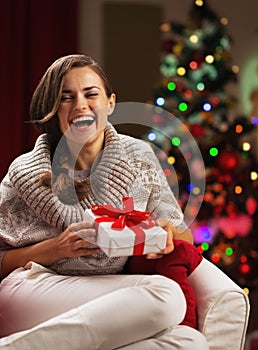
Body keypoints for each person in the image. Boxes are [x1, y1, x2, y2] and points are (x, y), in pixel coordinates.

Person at [0, 54, 208, 349]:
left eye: (90, 94)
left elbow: (180, 232)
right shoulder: (26, 172)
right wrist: (54, 249)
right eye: (66, 98)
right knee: (166, 296)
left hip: (107, 292)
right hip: (34, 285)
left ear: (110, 103)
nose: (80, 106)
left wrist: (165, 235)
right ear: (54, 109)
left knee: (189, 342)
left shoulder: (139, 157)